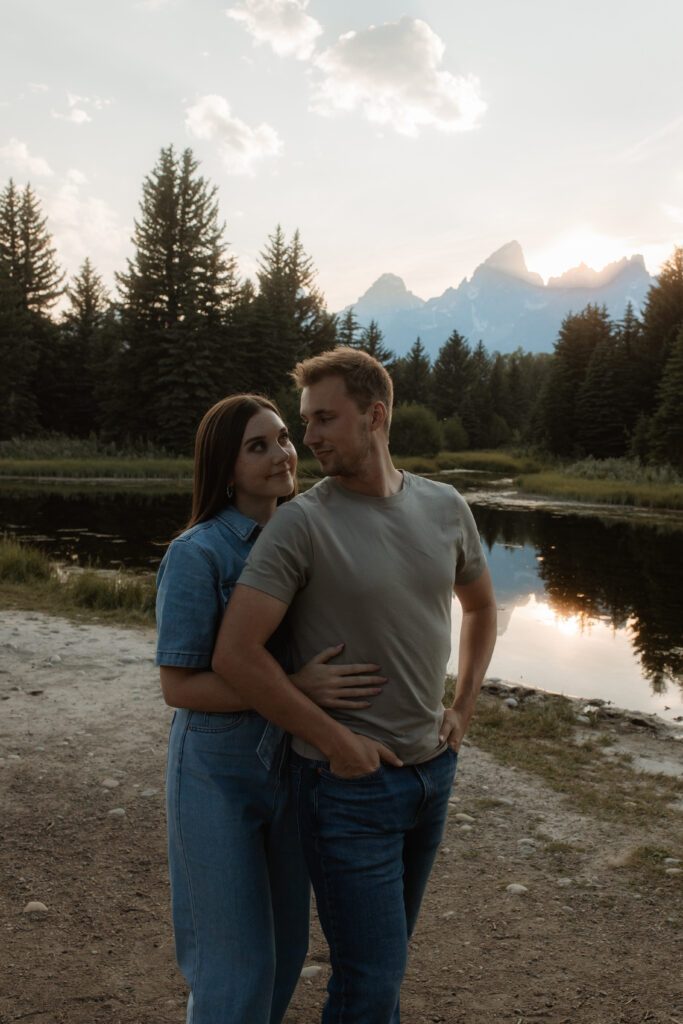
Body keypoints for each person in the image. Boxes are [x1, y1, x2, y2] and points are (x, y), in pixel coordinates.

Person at [212, 350, 498, 1024]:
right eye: (304, 421)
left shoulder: (445, 507)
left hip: (432, 775)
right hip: (347, 789)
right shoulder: (300, 523)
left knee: (384, 972)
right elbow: (235, 655)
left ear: (374, 417)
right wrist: (336, 742)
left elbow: (481, 606)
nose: (306, 438)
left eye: (323, 419)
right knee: (368, 983)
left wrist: (461, 708)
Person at [155, 393, 387, 1024]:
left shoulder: (307, 536)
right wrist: (295, 689)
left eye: (284, 437)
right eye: (258, 446)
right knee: (233, 971)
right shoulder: (198, 553)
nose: (284, 453)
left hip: (294, 767)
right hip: (215, 773)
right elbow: (179, 687)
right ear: (225, 467)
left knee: (286, 956)